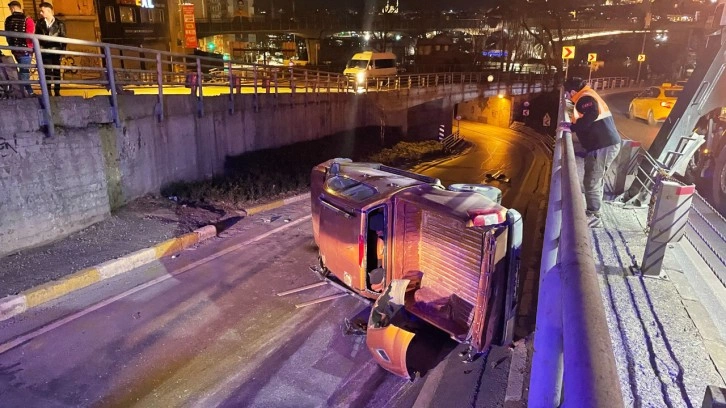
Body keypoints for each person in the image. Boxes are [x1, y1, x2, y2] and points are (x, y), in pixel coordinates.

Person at [562, 77, 622, 228]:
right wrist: (571, 125)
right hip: (605, 144)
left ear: (573, 91)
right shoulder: (587, 94)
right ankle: (595, 211)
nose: (566, 97)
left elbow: (592, 113)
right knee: (596, 179)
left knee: (592, 180)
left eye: (566, 93)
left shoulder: (584, 98)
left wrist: (572, 128)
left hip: (601, 146)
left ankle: (594, 216)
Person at [4, 0, 35, 96]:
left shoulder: (8, 20)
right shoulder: (27, 19)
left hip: (15, 50)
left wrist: (12, 47)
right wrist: (31, 48)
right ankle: (27, 92)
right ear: (19, 7)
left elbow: (8, 36)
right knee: (24, 71)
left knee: (21, 71)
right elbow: (30, 35)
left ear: (12, 8)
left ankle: (24, 91)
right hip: (25, 50)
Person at [35, 2, 66, 96]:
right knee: (47, 72)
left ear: (49, 11)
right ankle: (48, 91)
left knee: (56, 72)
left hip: (56, 51)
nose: (40, 13)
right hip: (44, 51)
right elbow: (37, 37)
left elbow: (64, 38)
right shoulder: (39, 23)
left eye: (42, 11)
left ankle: (57, 91)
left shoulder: (60, 24)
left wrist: (62, 53)